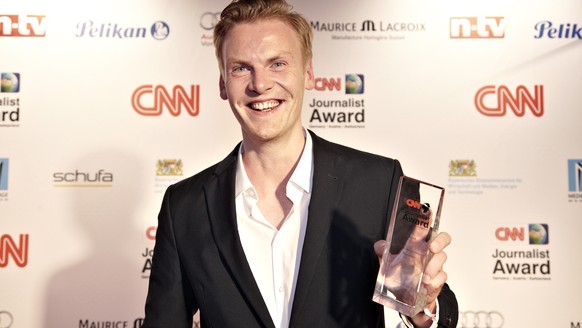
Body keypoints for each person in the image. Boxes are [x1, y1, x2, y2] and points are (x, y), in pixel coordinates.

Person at [142, 0, 458, 327]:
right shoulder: (185, 207)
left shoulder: (379, 182)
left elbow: (426, 299)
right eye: (240, 68)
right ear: (223, 83)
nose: (260, 84)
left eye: (277, 63)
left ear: (308, 73)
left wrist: (423, 307)